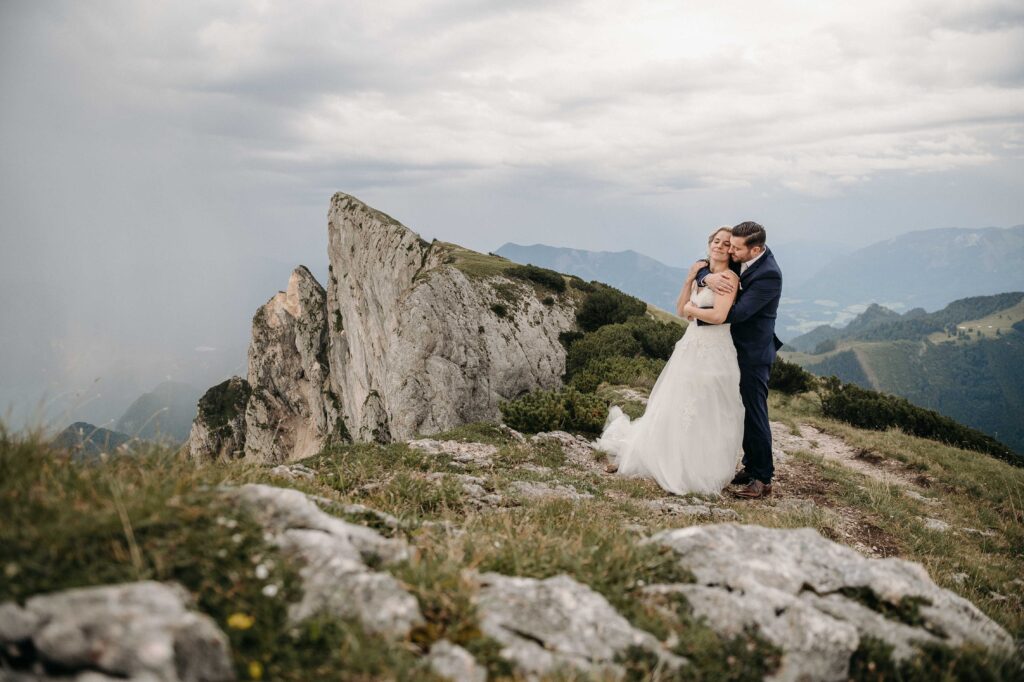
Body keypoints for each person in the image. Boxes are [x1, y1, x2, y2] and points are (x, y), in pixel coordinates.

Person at [596, 227, 745, 495]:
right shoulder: (701, 273)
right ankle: (669, 457)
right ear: (709, 243)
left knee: (707, 406)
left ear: (732, 250)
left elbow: (719, 316)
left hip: (714, 349)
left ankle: (700, 467)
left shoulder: (728, 278)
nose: (720, 246)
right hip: (690, 346)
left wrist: (691, 309)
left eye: (726, 244)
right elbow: (679, 308)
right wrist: (690, 280)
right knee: (677, 402)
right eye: (716, 241)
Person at [697, 221, 783, 499]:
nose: (730, 251)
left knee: (755, 412)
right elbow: (706, 264)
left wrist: (693, 310)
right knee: (739, 409)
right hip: (732, 348)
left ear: (755, 249)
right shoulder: (741, 259)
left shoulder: (769, 274)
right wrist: (704, 278)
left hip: (754, 353)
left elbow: (738, 313)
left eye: (736, 248)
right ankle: (750, 465)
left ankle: (762, 478)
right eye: (729, 245)